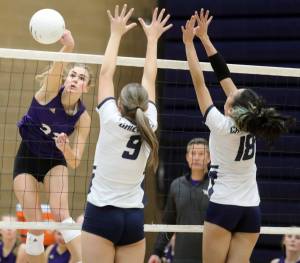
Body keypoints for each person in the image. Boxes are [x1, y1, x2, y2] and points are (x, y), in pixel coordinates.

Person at [182, 9, 294, 263]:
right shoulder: (252, 122)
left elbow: (199, 83)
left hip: (223, 206)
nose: (228, 92)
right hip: (250, 210)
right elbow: (224, 76)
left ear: (231, 107)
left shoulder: (220, 125)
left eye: (231, 96)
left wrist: (189, 44)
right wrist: (205, 39)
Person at [81, 4, 172, 263]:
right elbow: (149, 79)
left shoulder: (111, 120)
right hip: (133, 219)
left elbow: (106, 72)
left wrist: (115, 34)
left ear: (120, 105)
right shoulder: (150, 124)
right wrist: (153, 39)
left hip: (101, 214)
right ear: (143, 106)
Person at [13, 29, 92, 263]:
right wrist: (68, 48)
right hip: (27, 156)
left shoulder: (83, 118)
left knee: (61, 214)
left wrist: (65, 147)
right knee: (36, 226)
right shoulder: (48, 92)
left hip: (54, 161)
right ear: (66, 79)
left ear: (86, 88)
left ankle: (82, 260)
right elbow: (57, 69)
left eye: (81, 78)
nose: (75, 80)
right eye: (73, 75)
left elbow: (76, 160)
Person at [148, 138, 210, 263]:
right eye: (193, 153)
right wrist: (157, 252)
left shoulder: (216, 187)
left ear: (209, 158)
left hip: (209, 256)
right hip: (181, 256)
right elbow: (168, 223)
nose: (196, 157)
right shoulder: (176, 186)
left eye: (201, 154)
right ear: (187, 157)